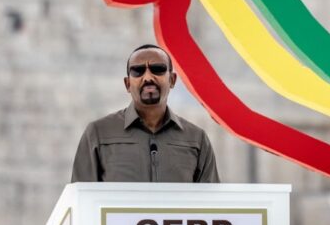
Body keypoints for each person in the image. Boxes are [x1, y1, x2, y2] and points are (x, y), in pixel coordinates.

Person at [71, 44, 220, 183]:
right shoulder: (98, 134)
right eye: (138, 71)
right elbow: (80, 198)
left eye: (157, 69)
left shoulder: (196, 139)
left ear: (172, 80)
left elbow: (212, 203)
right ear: (128, 84)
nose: (148, 77)